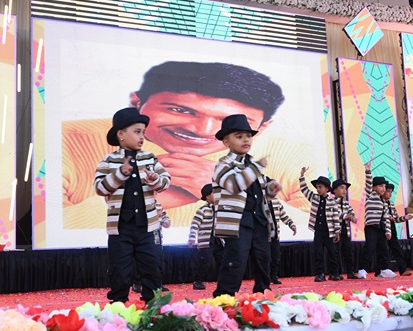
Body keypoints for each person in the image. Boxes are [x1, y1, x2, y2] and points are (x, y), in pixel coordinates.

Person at [62, 60, 318, 231]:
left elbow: (315, 227)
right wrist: (146, 200)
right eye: (180, 110)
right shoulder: (66, 140)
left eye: (227, 121)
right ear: (136, 103)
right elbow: (49, 230)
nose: (202, 130)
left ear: (262, 126)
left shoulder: (295, 155)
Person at [94, 107, 170, 303]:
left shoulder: (150, 158)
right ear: (121, 134)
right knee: (120, 270)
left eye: (143, 132)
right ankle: (119, 306)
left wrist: (154, 180)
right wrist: (119, 174)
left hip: (148, 227)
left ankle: (153, 306)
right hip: (121, 228)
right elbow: (99, 188)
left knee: (152, 267)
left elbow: (166, 182)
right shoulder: (109, 160)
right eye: (137, 132)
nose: (142, 137)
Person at [212, 114, 282, 297]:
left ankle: (263, 294)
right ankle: (224, 297)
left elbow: (260, 191)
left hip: (259, 219)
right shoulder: (223, 164)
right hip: (238, 221)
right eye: (239, 136)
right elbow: (235, 185)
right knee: (235, 260)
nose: (246, 140)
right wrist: (256, 168)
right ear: (226, 142)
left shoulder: (252, 164)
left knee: (263, 259)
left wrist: (271, 188)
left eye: (248, 136)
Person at [299, 167, 341, 282]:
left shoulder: (332, 201)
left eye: (320, 187)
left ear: (327, 189)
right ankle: (320, 274)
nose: (318, 189)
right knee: (318, 253)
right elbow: (304, 189)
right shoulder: (314, 198)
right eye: (317, 187)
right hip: (318, 231)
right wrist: (302, 176)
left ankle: (334, 273)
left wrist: (337, 231)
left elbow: (336, 217)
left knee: (333, 253)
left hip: (330, 232)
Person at [357, 162, 395, 279]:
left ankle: (383, 269)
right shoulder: (371, 195)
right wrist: (368, 171)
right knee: (370, 247)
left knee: (383, 249)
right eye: (381, 186)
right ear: (374, 188)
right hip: (371, 227)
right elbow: (368, 183)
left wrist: (388, 231)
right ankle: (362, 269)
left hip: (381, 228)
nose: (383, 189)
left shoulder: (384, 202)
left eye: (384, 186)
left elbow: (386, 218)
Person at [187, 183, 224, 290]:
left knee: (222, 260)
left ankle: (223, 281)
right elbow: (195, 224)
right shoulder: (202, 210)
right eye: (214, 193)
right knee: (205, 261)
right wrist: (192, 237)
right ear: (207, 196)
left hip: (218, 240)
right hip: (206, 240)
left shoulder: (219, 209)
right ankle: (197, 281)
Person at [132, 201, 171, 293]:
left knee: (158, 261)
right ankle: (137, 284)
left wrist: (164, 221)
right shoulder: (140, 203)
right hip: (144, 238)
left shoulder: (158, 205)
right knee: (141, 262)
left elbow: (165, 219)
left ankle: (158, 284)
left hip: (157, 238)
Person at [383, 182, 413, 277]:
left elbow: (396, 218)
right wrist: (388, 217)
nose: (390, 194)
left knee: (397, 249)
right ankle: (381, 270)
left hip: (392, 228)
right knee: (382, 250)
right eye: (388, 191)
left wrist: (405, 218)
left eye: (391, 192)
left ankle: (403, 269)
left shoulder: (391, 204)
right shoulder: (379, 203)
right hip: (383, 228)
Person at [330, 179, 358, 279]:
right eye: (342, 188)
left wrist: (353, 218)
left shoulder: (346, 203)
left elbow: (353, 215)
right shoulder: (331, 202)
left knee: (348, 252)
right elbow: (335, 214)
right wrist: (347, 216)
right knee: (335, 253)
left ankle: (350, 272)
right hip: (335, 232)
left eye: (345, 189)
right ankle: (335, 273)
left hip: (346, 232)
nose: (344, 190)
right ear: (334, 190)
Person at [267, 195, 297, 285]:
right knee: (265, 258)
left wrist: (292, 225)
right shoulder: (260, 201)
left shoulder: (276, 201)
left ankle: (273, 276)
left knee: (276, 257)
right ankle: (265, 277)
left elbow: (284, 216)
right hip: (264, 236)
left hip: (275, 235)